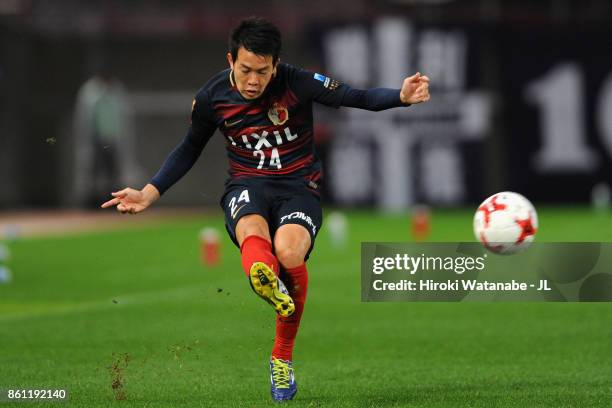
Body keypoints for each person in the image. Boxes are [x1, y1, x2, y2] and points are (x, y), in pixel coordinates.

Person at [101, 17, 430, 402]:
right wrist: (149, 193)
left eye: (262, 71)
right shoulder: (212, 97)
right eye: (244, 70)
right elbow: (190, 147)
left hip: (298, 188)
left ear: (275, 65)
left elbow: (354, 97)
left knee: (289, 252)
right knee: (252, 233)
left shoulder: (298, 82)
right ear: (230, 61)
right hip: (247, 186)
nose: (253, 80)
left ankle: (281, 354)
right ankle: (263, 274)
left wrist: (400, 97)